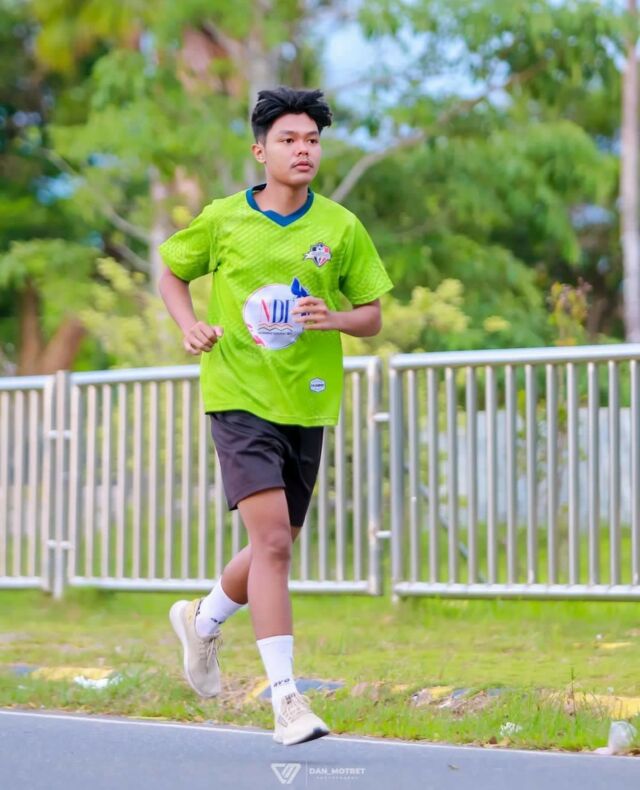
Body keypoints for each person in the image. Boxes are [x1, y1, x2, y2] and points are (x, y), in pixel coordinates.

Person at [158, 86, 392, 746]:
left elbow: (372, 316)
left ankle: (203, 619)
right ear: (261, 151)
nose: (303, 150)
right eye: (289, 139)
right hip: (237, 395)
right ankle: (287, 700)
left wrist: (335, 318)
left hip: (307, 401)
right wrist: (189, 325)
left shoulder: (340, 228)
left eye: (312, 140)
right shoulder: (225, 218)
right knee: (275, 547)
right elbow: (171, 272)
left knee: (275, 542)